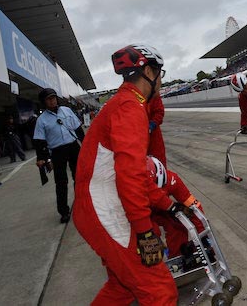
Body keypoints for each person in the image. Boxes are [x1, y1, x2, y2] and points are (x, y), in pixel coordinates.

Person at [73, 44, 177, 305]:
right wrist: (144, 231)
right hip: (105, 207)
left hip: (98, 204)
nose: (162, 81)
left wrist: (168, 204)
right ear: (149, 72)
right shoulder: (130, 107)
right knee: (159, 290)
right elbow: (130, 176)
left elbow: (137, 172)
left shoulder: (123, 103)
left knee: (123, 287)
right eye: (160, 74)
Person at [33, 88, 84, 223]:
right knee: (61, 182)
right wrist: (41, 158)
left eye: (54, 98)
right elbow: (39, 141)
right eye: (49, 99)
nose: (52, 100)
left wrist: (86, 144)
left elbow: (78, 128)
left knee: (79, 177)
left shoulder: (66, 111)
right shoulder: (41, 120)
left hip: (73, 147)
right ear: (44, 102)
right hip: (57, 151)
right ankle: (64, 212)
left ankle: (83, 205)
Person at [147, 156, 204, 258]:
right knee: (150, 239)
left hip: (161, 210)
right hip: (139, 212)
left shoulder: (172, 179)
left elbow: (195, 207)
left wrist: (203, 236)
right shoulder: (129, 186)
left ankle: (177, 258)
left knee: (178, 222)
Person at [147, 92, 166, 166]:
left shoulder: (153, 93)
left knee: (159, 165)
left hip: (153, 138)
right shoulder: (128, 96)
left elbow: (159, 112)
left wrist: (151, 125)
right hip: (136, 140)